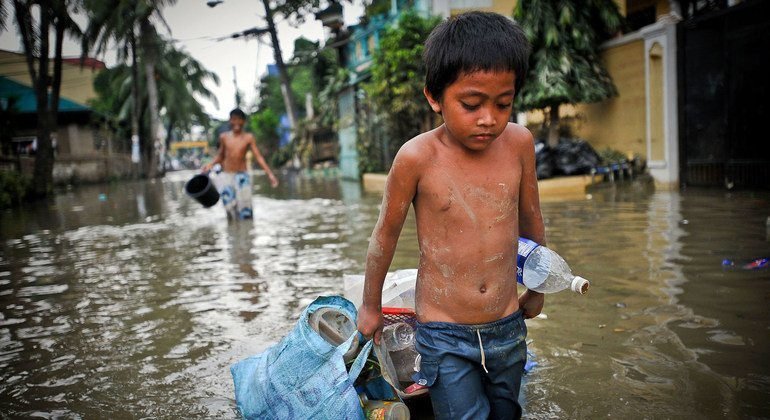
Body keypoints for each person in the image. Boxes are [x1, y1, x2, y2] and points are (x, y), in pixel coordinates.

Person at [356, 12, 546, 419]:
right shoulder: (416, 158)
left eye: (504, 103)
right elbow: (384, 237)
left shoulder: (519, 144)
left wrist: (539, 287)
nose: (488, 118)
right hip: (443, 331)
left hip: (508, 323)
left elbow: (531, 221)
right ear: (434, 97)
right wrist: (370, 306)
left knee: (506, 412)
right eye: (471, 104)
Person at [202, 108, 279, 220]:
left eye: (239, 119)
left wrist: (270, 174)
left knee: (245, 209)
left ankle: (247, 234)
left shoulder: (248, 138)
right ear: (230, 121)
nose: (236, 122)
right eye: (234, 119)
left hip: (242, 176)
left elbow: (258, 157)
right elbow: (220, 156)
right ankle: (233, 234)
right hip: (227, 176)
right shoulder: (224, 137)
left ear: (243, 121)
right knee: (229, 208)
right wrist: (210, 164)